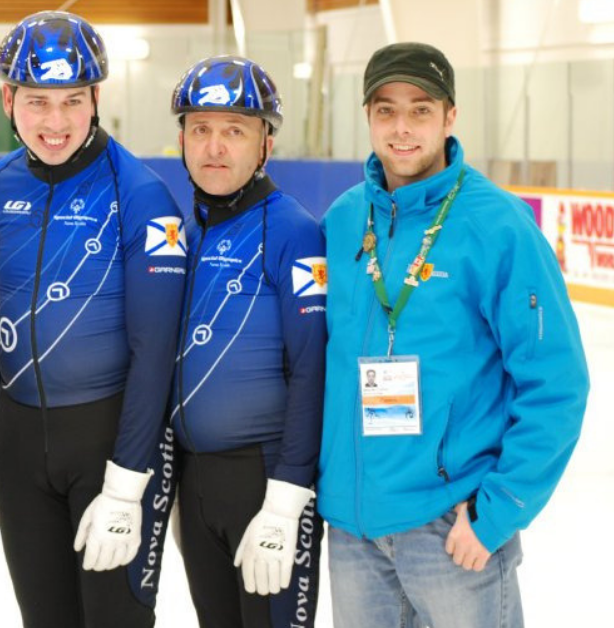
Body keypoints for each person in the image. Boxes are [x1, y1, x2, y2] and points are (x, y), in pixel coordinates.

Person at [319, 42, 589, 628]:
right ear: (367, 116)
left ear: (450, 117)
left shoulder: (499, 225)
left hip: (451, 529)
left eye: (420, 109)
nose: (402, 128)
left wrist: (498, 512)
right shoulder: (342, 220)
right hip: (353, 533)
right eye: (386, 110)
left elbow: (557, 384)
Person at [0, 11, 186, 627]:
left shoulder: (142, 196)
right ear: (9, 99)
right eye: (37, 102)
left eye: (72, 101)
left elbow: (156, 352)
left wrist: (127, 480)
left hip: (111, 440)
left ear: (95, 99)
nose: (55, 122)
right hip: (17, 446)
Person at [167, 56, 325, 628]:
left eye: (235, 130)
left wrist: (286, 503)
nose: (215, 147)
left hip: (265, 481)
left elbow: (313, 373)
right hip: (193, 480)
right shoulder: (180, 233)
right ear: (181, 139)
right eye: (201, 129)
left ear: (266, 144)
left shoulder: (295, 231)